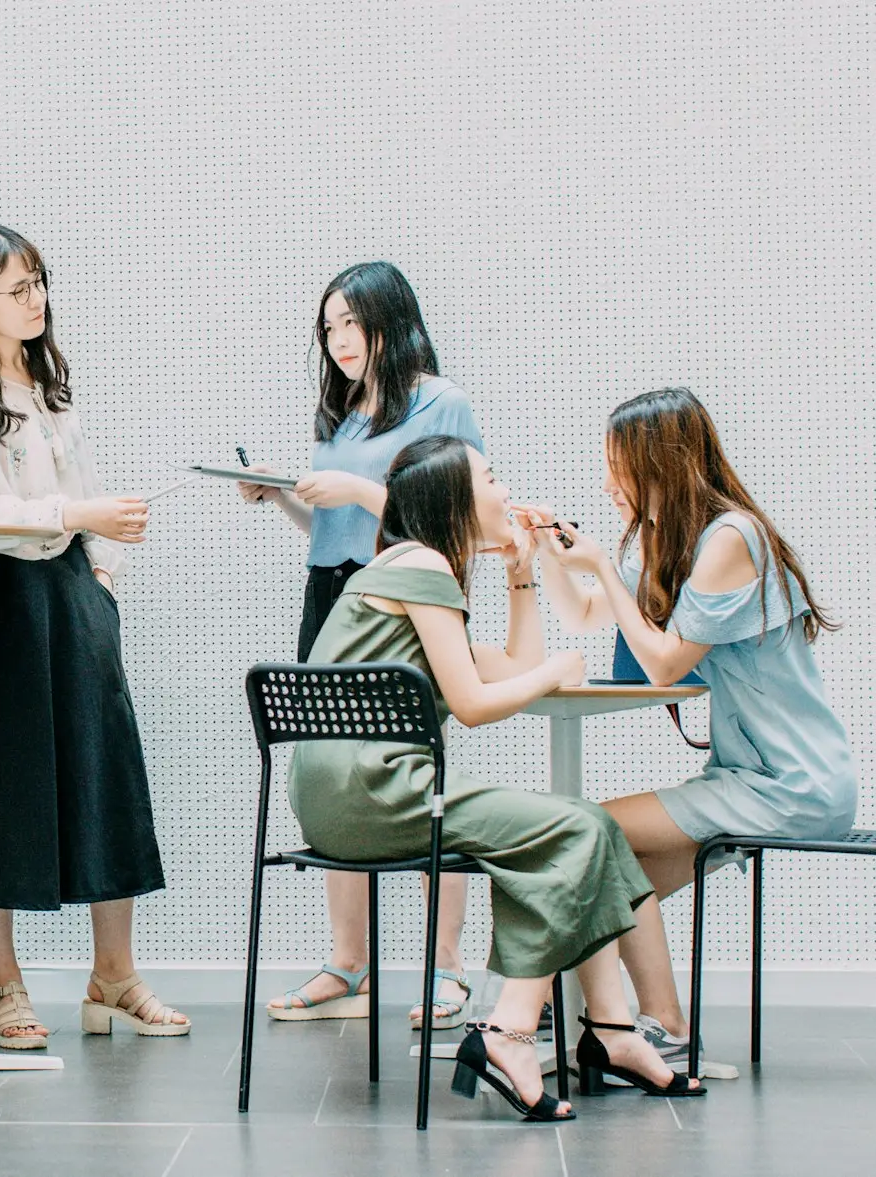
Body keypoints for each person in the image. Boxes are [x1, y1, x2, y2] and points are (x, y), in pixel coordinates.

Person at [290, 433, 705, 1121]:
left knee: (584, 829)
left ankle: (611, 1030)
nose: (505, 492)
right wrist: (556, 671)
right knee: (579, 826)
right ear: (454, 497)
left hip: (341, 799)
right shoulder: (423, 565)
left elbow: (511, 662)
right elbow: (482, 704)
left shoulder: (398, 568)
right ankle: (511, 1033)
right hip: (381, 796)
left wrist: (520, 573)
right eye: (491, 477)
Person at [526, 386, 857, 1067]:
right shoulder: (668, 537)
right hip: (745, 775)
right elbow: (589, 614)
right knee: (611, 868)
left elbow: (665, 662)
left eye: (617, 465)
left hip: (791, 783)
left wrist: (599, 569)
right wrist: (551, 560)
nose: (607, 482)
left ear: (659, 462)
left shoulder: (731, 537)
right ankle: (657, 1029)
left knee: (594, 829)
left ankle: (600, 1020)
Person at [0, 224, 188, 1048]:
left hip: (72, 595)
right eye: (15, 288)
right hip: (0, 602)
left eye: (39, 281)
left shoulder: (47, 377)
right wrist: (76, 518)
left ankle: (114, 975)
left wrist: (100, 577)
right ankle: (5, 985)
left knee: (103, 779)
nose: (35, 299)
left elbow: (90, 490)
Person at [241, 262, 481, 1029]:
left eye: (352, 322)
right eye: (328, 325)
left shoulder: (442, 402)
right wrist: (281, 494)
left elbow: (451, 515)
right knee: (333, 773)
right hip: (334, 595)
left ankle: (445, 970)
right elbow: (332, 532)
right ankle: (349, 963)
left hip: (408, 594)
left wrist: (354, 489)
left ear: (391, 319)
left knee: (417, 770)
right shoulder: (341, 416)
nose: (338, 339)